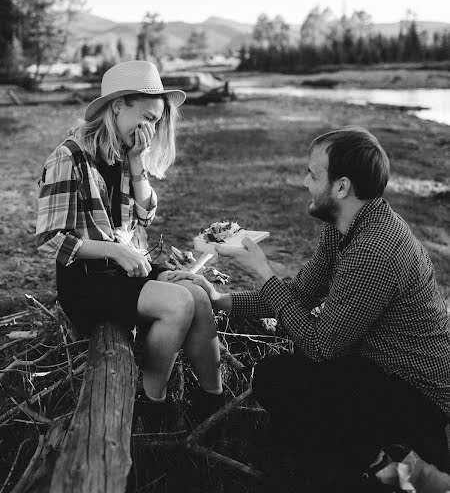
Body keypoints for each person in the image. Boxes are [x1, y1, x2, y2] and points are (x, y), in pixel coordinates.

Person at [166, 126, 450, 489]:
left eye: (313, 175)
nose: (304, 182)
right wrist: (222, 300)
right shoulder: (344, 227)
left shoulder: (373, 250)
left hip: (416, 397)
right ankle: (330, 463)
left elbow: (320, 345)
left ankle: (404, 471)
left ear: (341, 187)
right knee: (281, 376)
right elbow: (300, 291)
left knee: (286, 378)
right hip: (376, 370)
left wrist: (264, 273)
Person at [36, 60, 224, 427]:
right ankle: (152, 403)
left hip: (125, 269)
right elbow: (50, 240)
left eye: (156, 121)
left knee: (199, 296)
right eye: (147, 117)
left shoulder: (124, 153)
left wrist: (137, 162)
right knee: (178, 304)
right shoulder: (68, 157)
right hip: (87, 281)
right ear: (117, 105)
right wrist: (115, 250)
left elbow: (145, 214)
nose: (151, 129)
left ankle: (212, 402)